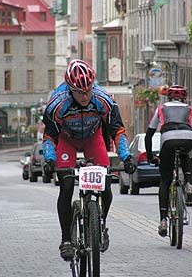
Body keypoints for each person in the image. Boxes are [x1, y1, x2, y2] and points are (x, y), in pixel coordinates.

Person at [42, 59, 133, 261]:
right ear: (70, 90)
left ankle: (100, 224)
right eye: (79, 92)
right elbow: (49, 137)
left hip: (93, 138)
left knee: (106, 185)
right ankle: (66, 239)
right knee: (66, 187)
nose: (85, 96)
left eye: (88, 91)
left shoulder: (103, 99)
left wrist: (126, 157)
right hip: (67, 141)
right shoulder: (57, 103)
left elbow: (117, 130)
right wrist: (49, 160)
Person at [145, 85, 192, 237]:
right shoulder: (191, 109)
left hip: (168, 139)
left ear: (169, 98)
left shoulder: (161, 109)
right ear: (184, 98)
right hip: (188, 137)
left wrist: (150, 156)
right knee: (185, 154)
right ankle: (189, 185)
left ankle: (163, 220)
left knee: (165, 181)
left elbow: (149, 134)